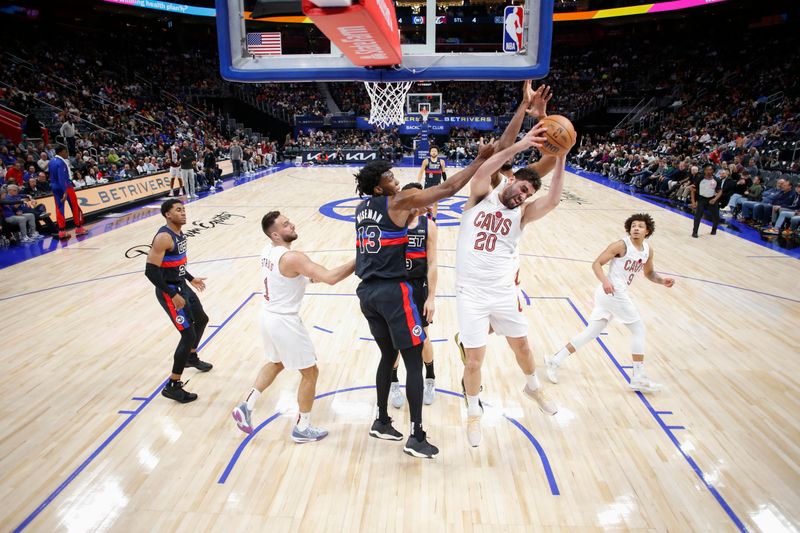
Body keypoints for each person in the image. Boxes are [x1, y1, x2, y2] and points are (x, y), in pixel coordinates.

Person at [353, 138, 498, 459]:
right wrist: (476, 161)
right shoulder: (396, 201)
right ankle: (417, 434)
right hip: (393, 292)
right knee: (414, 362)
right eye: (389, 178)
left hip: (366, 293)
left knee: (386, 355)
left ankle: (381, 420)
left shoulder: (362, 208)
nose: (396, 180)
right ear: (379, 189)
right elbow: (446, 190)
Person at [455, 125, 566, 448]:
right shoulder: (480, 196)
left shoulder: (522, 215)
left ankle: (533, 386)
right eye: (522, 188)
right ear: (511, 180)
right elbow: (487, 167)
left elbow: (555, 199)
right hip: (471, 294)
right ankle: (473, 411)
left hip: (504, 293)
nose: (523, 195)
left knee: (524, 349)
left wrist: (560, 158)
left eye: (528, 194)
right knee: (474, 360)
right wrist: (521, 145)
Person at [231, 211, 355, 442]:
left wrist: (307, 276)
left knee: (276, 363)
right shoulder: (292, 258)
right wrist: (361, 258)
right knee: (310, 373)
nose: (292, 225)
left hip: (267, 316)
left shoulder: (267, 251)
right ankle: (302, 428)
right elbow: (331, 278)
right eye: (286, 225)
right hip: (285, 321)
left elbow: (288, 277)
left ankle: (246, 406)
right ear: (276, 234)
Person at [545, 214, 675, 392]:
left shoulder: (647, 250)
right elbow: (597, 264)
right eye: (633, 226)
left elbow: (649, 273)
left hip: (610, 295)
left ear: (648, 231)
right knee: (638, 329)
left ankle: (554, 360)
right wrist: (605, 281)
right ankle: (638, 377)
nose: (636, 228)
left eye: (640, 226)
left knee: (591, 333)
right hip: (613, 292)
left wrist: (662, 281)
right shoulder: (621, 245)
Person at [145, 199, 213, 403]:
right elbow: (150, 271)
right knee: (187, 334)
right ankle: (173, 385)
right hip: (169, 291)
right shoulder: (164, 237)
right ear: (167, 214)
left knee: (201, 319)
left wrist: (190, 279)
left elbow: (177, 263)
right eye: (178, 210)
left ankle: (191, 357)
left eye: (184, 209)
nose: (183, 213)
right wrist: (172, 294)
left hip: (182, 286)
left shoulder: (180, 234)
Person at [389, 183, 439, 408]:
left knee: (424, 336)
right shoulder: (392, 223)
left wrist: (431, 297)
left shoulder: (428, 225)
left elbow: (433, 263)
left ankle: (430, 378)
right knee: (394, 341)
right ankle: (393, 384)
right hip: (396, 287)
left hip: (418, 287)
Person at [48, 145, 87, 239]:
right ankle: (78, 228)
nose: (67, 154)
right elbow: (61, 178)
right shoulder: (61, 162)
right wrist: (65, 191)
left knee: (59, 208)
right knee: (74, 206)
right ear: (61, 152)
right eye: (66, 152)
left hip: (54, 187)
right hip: (66, 187)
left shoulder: (51, 162)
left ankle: (61, 231)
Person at [691, 164, 721, 238]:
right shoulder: (699, 178)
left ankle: (714, 230)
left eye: (710, 170)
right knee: (698, 216)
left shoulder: (716, 179)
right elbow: (692, 190)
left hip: (712, 199)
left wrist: (715, 199)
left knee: (716, 216)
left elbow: (720, 191)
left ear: (713, 170)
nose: (709, 171)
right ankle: (695, 232)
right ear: (704, 170)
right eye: (707, 170)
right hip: (702, 199)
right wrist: (693, 202)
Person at [416, 146, 447, 219]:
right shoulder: (426, 161)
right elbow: (421, 172)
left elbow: (444, 173)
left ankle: (434, 219)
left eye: (435, 151)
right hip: (428, 184)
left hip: (437, 185)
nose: (433, 152)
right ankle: (428, 215)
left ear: (437, 152)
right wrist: (418, 182)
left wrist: (446, 183)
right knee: (426, 202)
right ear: (430, 152)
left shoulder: (441, 162)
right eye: (432, 151)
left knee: (436, 203)